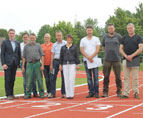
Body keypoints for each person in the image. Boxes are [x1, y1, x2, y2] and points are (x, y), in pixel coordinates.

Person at [120, 23, 143, 99]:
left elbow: (140, 48)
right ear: (127, 29)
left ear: (134, 28)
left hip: (135, 59)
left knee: (135, 77)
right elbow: (120, 49)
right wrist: (126, 56)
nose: (130, 29)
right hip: (125, 59)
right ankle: (126, 93)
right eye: (128, 28)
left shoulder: (138, 37)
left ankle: (136, 92)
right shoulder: (123, 38)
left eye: (131, 28)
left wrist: (132, 56)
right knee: (126, 77)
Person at [80, 25, 101, 98]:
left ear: (92, 31)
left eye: (90, 30)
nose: (89, 32)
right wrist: (88, 57)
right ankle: (91, 92)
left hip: (95, 60)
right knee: (89, 77)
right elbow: (81, 50)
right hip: (86, 61)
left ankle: (97, 92)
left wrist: (91, 57)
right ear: (86, 31)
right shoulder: (83, 40)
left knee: (96, 77)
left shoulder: (96, 39)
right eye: (88, 30)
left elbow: (98, 49)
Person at [102, 23, 122, 98]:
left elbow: (122, 46)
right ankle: (105, 91)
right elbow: (103, 47)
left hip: (116, 59)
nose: (111, 29)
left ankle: (119, 91)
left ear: (114, 29)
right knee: (106, 76)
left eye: (112, 28)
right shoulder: (105, 37)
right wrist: (107, 53)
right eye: (109, 28)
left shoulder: (119, 36)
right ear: (108, 29)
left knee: (118, 77)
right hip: (107, 59)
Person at [22, 33, 45, 99]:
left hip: (37, 63)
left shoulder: (38, 46)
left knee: (39, 79)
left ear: (35, 38)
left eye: (33, 38)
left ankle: (41, 93)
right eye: (31, 38)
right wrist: (23, 66)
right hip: (29, 64)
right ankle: (28, 94)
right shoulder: (26, 47)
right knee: (28, 80)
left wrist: (42, 65)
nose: (32, 39)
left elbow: (42, 55)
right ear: (29, 38)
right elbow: (24, 57)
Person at [1, 29, 21, 100]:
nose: (12, 34)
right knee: (8, 79)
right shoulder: (5, 42)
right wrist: (3, 63)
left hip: (14, 64)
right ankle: (8, 94)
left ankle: (12, 94)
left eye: (13, 33)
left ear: (14, 34)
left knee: (13, 79)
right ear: (8, 34)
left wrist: (18, 63)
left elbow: (19, 54)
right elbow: (2, 54)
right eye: (10, 33)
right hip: (7, 64)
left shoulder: (17, 43)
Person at [59, 34, 80, 99]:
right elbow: (61, 56)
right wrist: (60, 65)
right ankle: (67, 94)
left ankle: (71, 94)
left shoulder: (74, 47)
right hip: (65, 64)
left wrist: (77, 64)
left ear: (72, 39)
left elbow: (76, 55)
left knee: (71, 79)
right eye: (68, 38)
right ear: (66, 39)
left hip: (72, 64)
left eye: (70, 38)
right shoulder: (63, 47)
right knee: (66, 79)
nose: (69, 39)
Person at [49, 31, 66, 98]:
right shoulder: (54, 45)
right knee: (52, 77)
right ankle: (53, 93)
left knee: (63, 78)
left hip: (63, 62)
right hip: (55, 62)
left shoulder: (65, 43)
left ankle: (63, 92)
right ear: (56, 36)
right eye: (57, 36)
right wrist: (51, 64)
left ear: (62, 36)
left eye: (60, 35)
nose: (59, 37)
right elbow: (52, 54)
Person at [20, 33, 37, 97]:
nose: (25, 38)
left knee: (33, 78)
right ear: (22, 38)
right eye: (24, 37)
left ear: (28, 38)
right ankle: (26, 93)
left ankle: (34, 92)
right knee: (25, 79)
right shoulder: (20, 45)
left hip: (32, 62)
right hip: (23, 62)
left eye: (26, 37)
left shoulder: (32, 44)